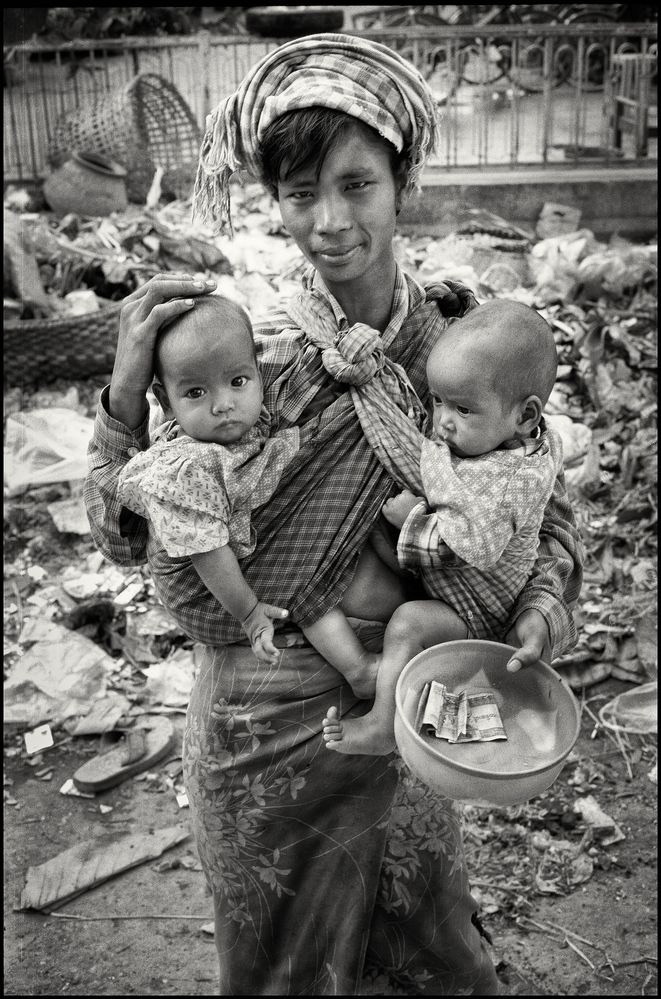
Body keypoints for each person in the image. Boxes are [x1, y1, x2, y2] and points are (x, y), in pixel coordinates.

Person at [84, 32, 584, 996]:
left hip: (410, 710)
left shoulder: (465, 348)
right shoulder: (241, 354)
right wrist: (122, 394)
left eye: (356, 185)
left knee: (432, 961)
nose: (329, 220)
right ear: (273, 203)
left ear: (405, 184)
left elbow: (543, 511)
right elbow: (123, 535)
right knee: (284, 972)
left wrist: (538, 609)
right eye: (299, 192)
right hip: (256, 725)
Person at [321, 298, 564, 756]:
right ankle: (375, 677)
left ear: (526, 417)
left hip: (483, 616)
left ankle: (380, 724)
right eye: (436, 401)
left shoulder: (520, 475)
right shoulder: (494, 434)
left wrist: (411, 518)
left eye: (463, 410)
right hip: (442, 590)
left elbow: (477, 543)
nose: (443, 422)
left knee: (409, 623)